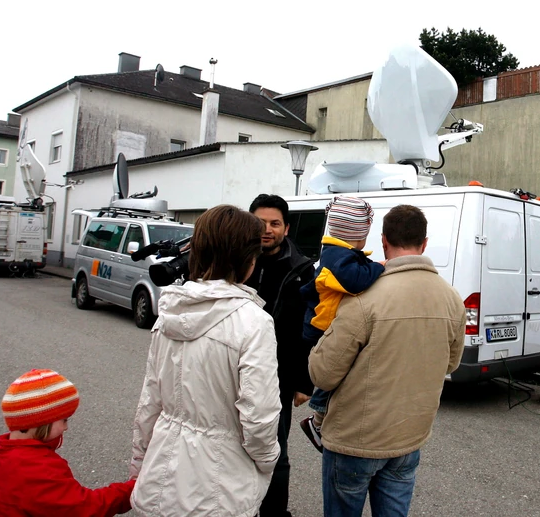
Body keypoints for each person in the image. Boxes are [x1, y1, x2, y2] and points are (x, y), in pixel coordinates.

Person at [309, 204, 465, 517]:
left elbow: (323, 374)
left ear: (383, 241)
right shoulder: (452, 298)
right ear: (424, 243)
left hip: (355, 441)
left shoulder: (363, 297)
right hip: (409, 438)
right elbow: (450, 363)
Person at [129, 205, 281, 517]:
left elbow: (150, 401)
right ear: (247, 259)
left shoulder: (169, 311)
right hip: (220, 485)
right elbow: (259, 418)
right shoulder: (254, 322)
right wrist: (267, 462)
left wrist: (140, 461)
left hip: (161, 473)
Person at [0, 368, 135, 516]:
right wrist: (135, 488)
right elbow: (85, 509)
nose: (66, 427)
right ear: (42, 421)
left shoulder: (2, 456)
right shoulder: (38, 470)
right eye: (64, 420)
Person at [246, 193, 316, 517]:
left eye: (274, 223)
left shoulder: (302, 270)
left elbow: (309, 329)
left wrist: (304, 381)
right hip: (235, 369)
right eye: (260, 222)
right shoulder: (235, 262)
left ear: (286, 228)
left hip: (279, 377)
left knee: (275, 451)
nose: (267, 229)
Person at [298, 196, 385, 451]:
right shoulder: (338, 257)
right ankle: (317, 419)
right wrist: (379, 268)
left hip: (325, 323)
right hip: (323, 326)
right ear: (357, 234)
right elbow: (356, 280)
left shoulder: (339, 253)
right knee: (336, 371)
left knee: (340, 370)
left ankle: (320, 417)